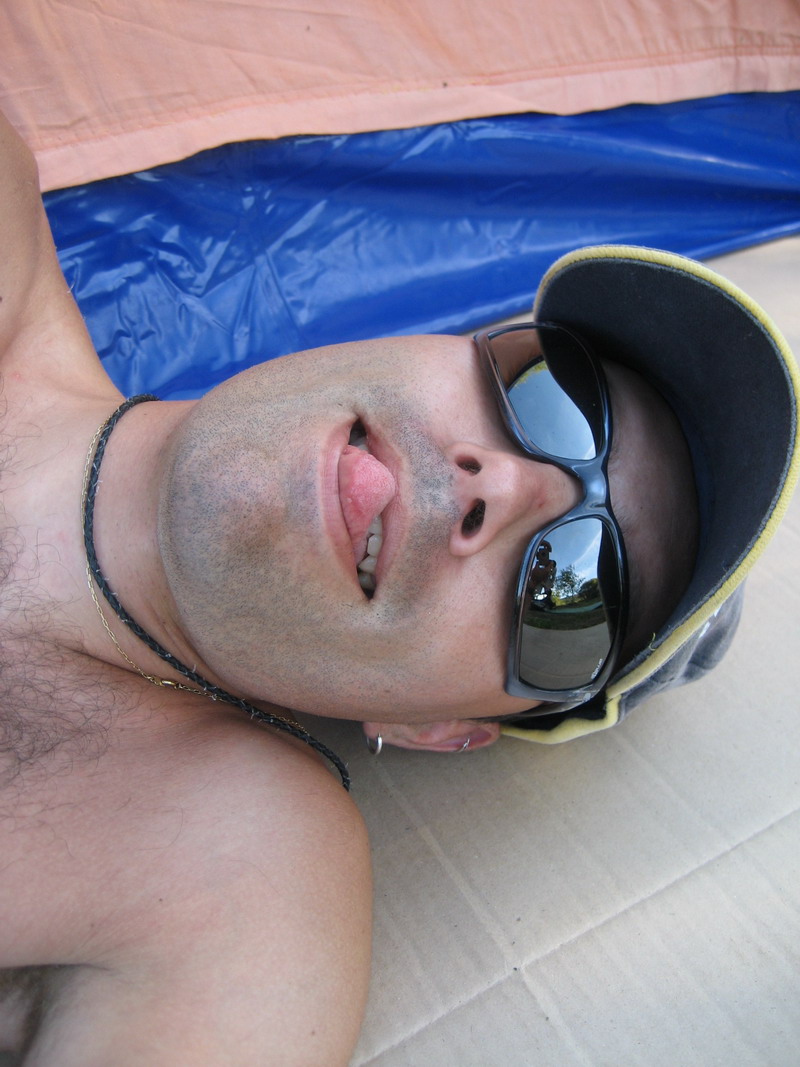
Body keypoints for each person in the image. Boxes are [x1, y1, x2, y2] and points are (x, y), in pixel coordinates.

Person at [0, 105, 797, 1066]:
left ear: (439, 730)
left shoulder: (232, 882)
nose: (507, 486)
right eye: (554, 388)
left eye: (573, 594)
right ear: (444, 338)